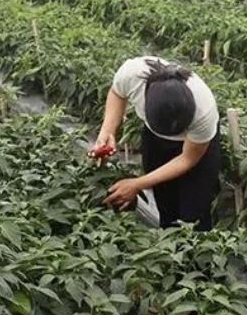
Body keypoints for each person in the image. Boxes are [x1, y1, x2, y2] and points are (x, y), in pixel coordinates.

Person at [93, 56, 221, 231]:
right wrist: (107, 131)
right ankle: (168, 242)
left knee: (194, 212)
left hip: (195, 148)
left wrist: (137, 184)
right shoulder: (132, 75)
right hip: (155, 141)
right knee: (165, 200)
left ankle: (196, 251)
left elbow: (187, 159)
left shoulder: (204, 110)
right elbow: (117, 93)